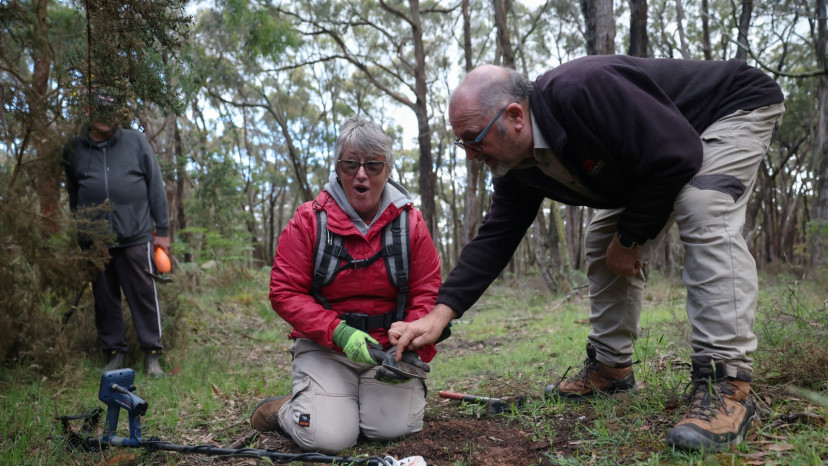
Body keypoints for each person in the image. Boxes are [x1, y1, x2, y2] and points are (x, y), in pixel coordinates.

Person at [390, 56, 785, 452]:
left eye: (474, 138)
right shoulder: (518, 166)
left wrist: (629, 241)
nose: (471, 154)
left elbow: (676, 156)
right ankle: (611, 370)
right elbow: (496, 236)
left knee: (703, 206)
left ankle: (726, 384)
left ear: (515, 116)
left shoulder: (584, 91)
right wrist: (441, 313)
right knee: (600, 237)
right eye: (463, 143)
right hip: (665, 147)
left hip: (728, 108)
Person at [249, 117, 441, 455]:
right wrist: (338, 332)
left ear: (387, 170)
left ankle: (343, 401)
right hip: (326, 349)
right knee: (328, 439)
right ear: (338, 168)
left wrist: (411, 343)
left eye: (373, 165)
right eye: (351, 164)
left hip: (387, 352)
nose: (361, 174)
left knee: (391, 429)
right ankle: (287, 410)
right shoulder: (309, 221)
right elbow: (284, 291)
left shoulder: (411, 223)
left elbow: (427, 290)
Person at [63, 91, 170, 379]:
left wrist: (162, 231)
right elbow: (74, 194)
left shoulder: (135, 141)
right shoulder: (74, 148)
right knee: (104, 300)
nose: (105, 117)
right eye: (99, 110)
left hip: (136, 236)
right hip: (96, 242)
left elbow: (155, 185)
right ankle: (115, 354)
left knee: (145, 297)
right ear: (88, 110)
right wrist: (82, 233)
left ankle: (152, 355)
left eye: (111, 111)